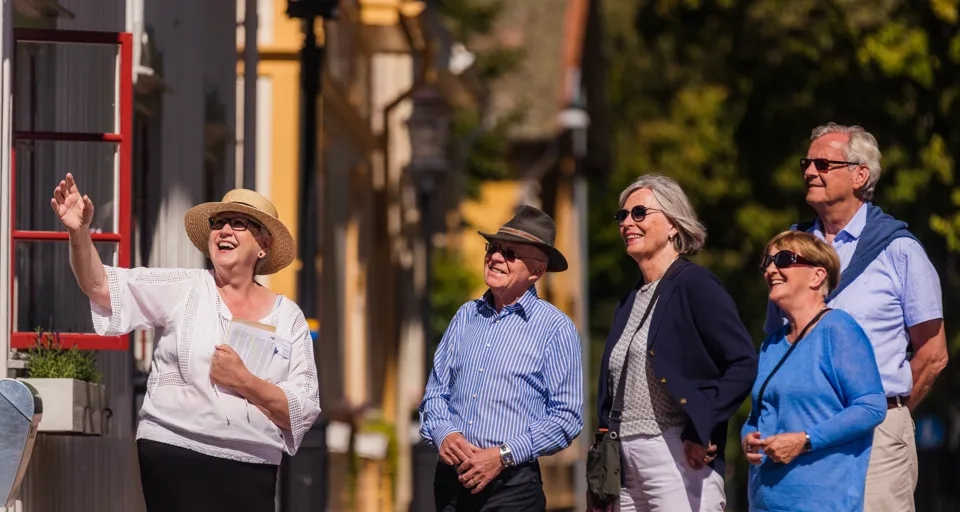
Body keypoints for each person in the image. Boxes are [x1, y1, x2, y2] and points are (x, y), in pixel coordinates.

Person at [51, 173, 321, 511]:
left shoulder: (288, 317)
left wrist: (244, 381)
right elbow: (102, 287)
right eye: (218, 222)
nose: (224, 231)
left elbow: (303, 408)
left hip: (252, 464)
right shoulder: (184, 287)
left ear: (263, 245)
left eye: (238, 223)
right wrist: (78, 234)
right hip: (174, 451)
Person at [766, 123, 948, 511]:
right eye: (807, 163)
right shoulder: (788, 253)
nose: (809, 172)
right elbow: (773, 346)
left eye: (823, 164)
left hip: (877, 437)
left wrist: (881, 412)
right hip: (801, 431)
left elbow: (933, 354)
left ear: (859, 174)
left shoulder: (900, 250)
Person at [593, 174, 757, 511]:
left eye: (639, 213)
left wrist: (704, 427)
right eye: (622, 216)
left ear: (672, 225)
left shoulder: (695, 284)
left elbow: (742, 362)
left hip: (675, 456)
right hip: (622, 462)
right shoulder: (629, 301)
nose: (627, 222)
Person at [419, 205, 584, 512]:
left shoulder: (555, 329)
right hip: (451, 485)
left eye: (510, 254)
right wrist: (444, 434)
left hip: (511, 489)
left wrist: (503, 454)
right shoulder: (465, 316)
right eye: (494, 248)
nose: (495, 258)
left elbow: (566, 418)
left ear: (536, 271)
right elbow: (435, 394)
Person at [745, 231, 887, 511]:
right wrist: (748, 438)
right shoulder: (771, 344)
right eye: (767, 262)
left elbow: (871, 406)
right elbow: (756, 416)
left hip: (822, 502)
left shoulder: (838, 329)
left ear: (817, 276)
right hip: (765, 503)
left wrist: (804, 440)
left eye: (784, 259)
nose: (771, 269)